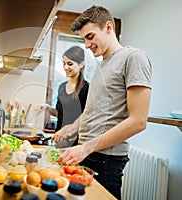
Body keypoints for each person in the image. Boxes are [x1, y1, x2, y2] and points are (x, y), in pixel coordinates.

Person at [52, 5, 152, 200]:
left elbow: (139, 121)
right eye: (84, 40)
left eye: (90, 36)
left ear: (108, 27)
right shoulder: (101, 66)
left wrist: (86, 147)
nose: (87, 45)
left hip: (106, 160)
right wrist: (72, 127)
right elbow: (93, 110)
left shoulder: (133, 58)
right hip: (86, 153)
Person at [35, 46, 89, 148]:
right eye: (64, 63)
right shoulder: (62, 87)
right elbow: (60, 113)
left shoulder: (87, 89)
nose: (65, 67)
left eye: (70, 64)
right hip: (59, 140)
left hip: (76, 143)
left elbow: (88, 118)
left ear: (81, 64)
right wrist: (47, 107)